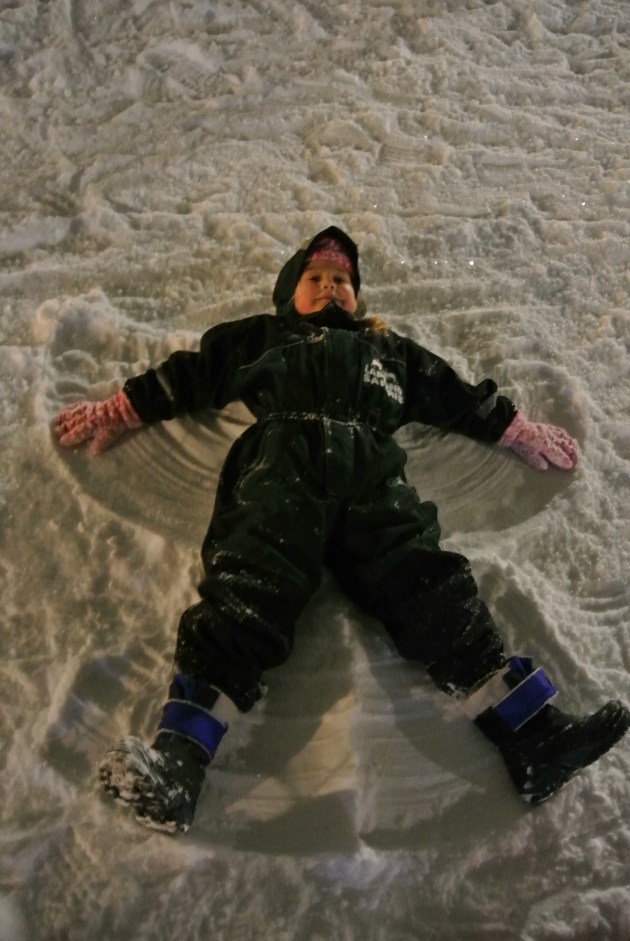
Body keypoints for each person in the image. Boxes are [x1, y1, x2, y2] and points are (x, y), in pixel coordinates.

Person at [54, 226, 629, 834]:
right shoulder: (265, 337)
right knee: (251, 579)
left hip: (370, 472)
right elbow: (196, 373)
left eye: (342, 282)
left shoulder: (388, 351)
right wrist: (120, 408)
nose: (331, 288)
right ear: (289, 293)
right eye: (316, 279)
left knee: (425, 578)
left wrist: (512, 428)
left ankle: (533, 736)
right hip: (283, 462)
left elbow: (448, 392)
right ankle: (180, 760)